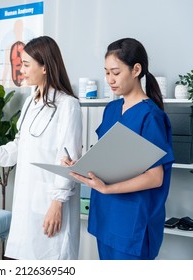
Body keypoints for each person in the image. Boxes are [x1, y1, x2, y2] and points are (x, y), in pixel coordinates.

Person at [0, 36, 83, 260]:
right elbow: (20, 145)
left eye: (26, 64)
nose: (21, 69)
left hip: (52, 201)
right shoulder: (30, 102)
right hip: (28, 199)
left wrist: (57, 204)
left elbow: (68, 159)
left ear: (44, 66)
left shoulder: (68, 105)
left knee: (52, 259)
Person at [67, 38, 174, 260]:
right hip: (106, 216)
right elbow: (107, 157)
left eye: (115, 72)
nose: (110, 80)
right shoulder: (112, 108)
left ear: (136, 70)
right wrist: (82, 167)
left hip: (133, 222)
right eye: (106, 73)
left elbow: (155, 178)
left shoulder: (151, 116)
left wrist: (106, 189)